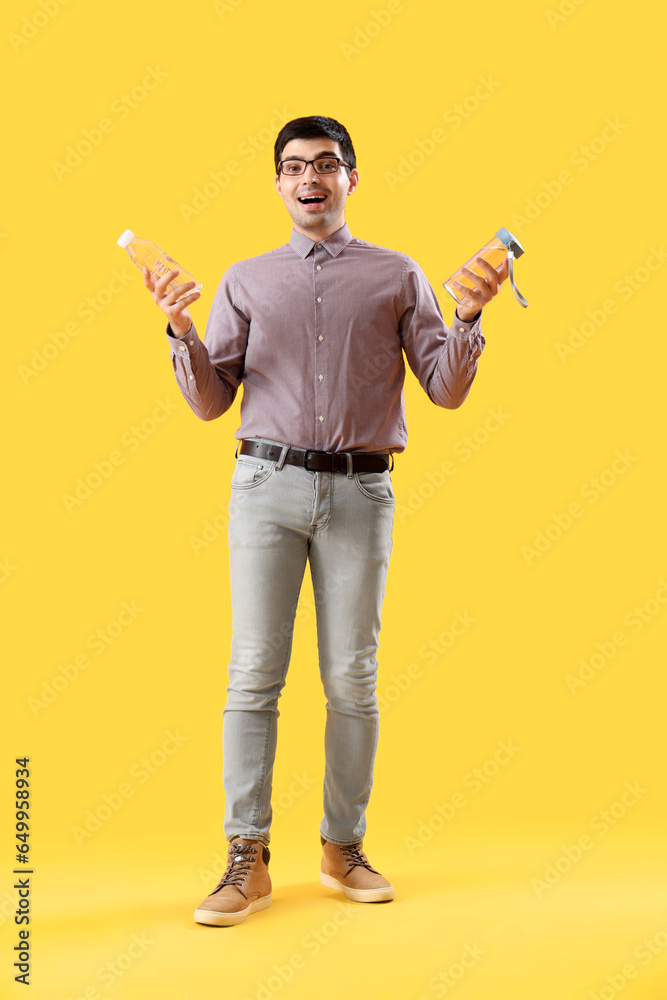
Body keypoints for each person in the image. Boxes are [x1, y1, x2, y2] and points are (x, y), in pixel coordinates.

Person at [143, 115, 507, 927]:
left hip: (359, 492)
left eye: (327, 164)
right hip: (264, 488)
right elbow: (211, 401)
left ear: (350, 178)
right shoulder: (244, 279)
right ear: (277, 182)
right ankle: (247, 855)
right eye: (295, 165)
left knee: (352, 678)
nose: (311, 177)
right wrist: (178, 329)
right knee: (252, 675)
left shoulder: (396, 275)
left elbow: (443, 389)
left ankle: (343, 846)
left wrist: (472, 318)